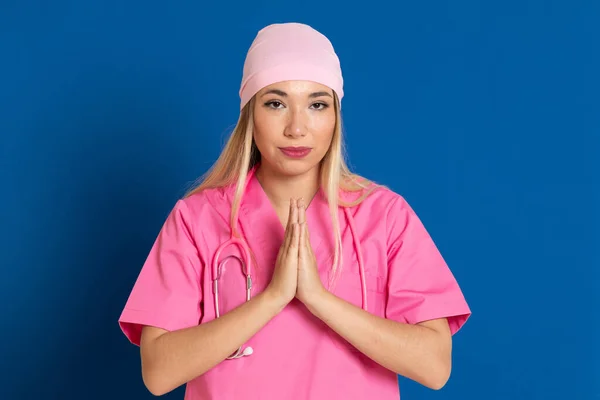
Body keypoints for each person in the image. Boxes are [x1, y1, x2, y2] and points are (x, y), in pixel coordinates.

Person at [118, 22, 471, 399]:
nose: (297, 128)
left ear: (335, 117)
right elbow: (158, 373)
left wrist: (317, 298)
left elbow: (435, 366)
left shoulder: (384, 217)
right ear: (250, 114)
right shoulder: (197, 220)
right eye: (276, 103)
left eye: (317, 104)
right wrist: (274, 297)